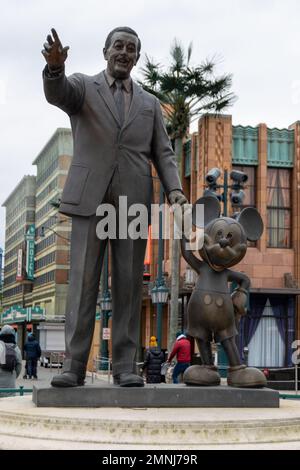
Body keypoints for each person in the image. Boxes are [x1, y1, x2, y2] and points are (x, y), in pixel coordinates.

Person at [42, 26, 187, 388]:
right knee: (83, 281)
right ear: (106, 50)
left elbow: (164, 154)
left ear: (137, 57)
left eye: (132, 49)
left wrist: (175, 192)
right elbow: (58, 94)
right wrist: (55, 70)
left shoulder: (150, 103)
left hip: (132, 201)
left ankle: (125, 365)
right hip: (90, 197)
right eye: (118, 46)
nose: (124, 52)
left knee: (127, 283)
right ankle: (73, 365)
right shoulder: (82, 87)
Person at [0, 325, 22, 397]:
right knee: (9, 404)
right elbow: (19, 366)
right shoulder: (16, 348)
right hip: (10, 381)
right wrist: (13, 375)